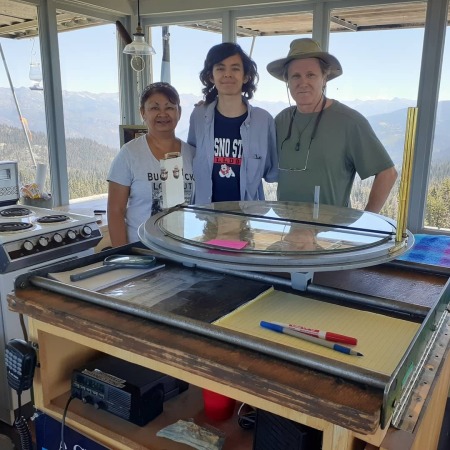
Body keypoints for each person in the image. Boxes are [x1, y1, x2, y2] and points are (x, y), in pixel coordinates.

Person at [267, 38, 397, 213]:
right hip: (288, 231)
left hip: (330, 235)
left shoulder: (349, 121)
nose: (302, 82)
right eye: (295, 76)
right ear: (287, 81)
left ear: (324, 78)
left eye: (311, 75)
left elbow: (387, 173)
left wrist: (368, 221)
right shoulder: (281, 120)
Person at [188, 42, 278, 205]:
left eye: (235, 68)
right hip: (205, 214)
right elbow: (192, 159)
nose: (227, 74)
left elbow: (271, 171)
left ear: (246, 76)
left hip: (247, 217)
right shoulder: (199, 116)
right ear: (211, 76)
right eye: (220, 68)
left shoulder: (264, 120)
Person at [107, 82, 195, 246]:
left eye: (169, 107)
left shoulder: (193, 154)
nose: (163, 114)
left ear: (179, 112)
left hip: (184, 250)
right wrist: (124, 255)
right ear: (143, 112)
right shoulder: (129, 154)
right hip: (143, 250)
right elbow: (115, 211)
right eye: (154, 108)